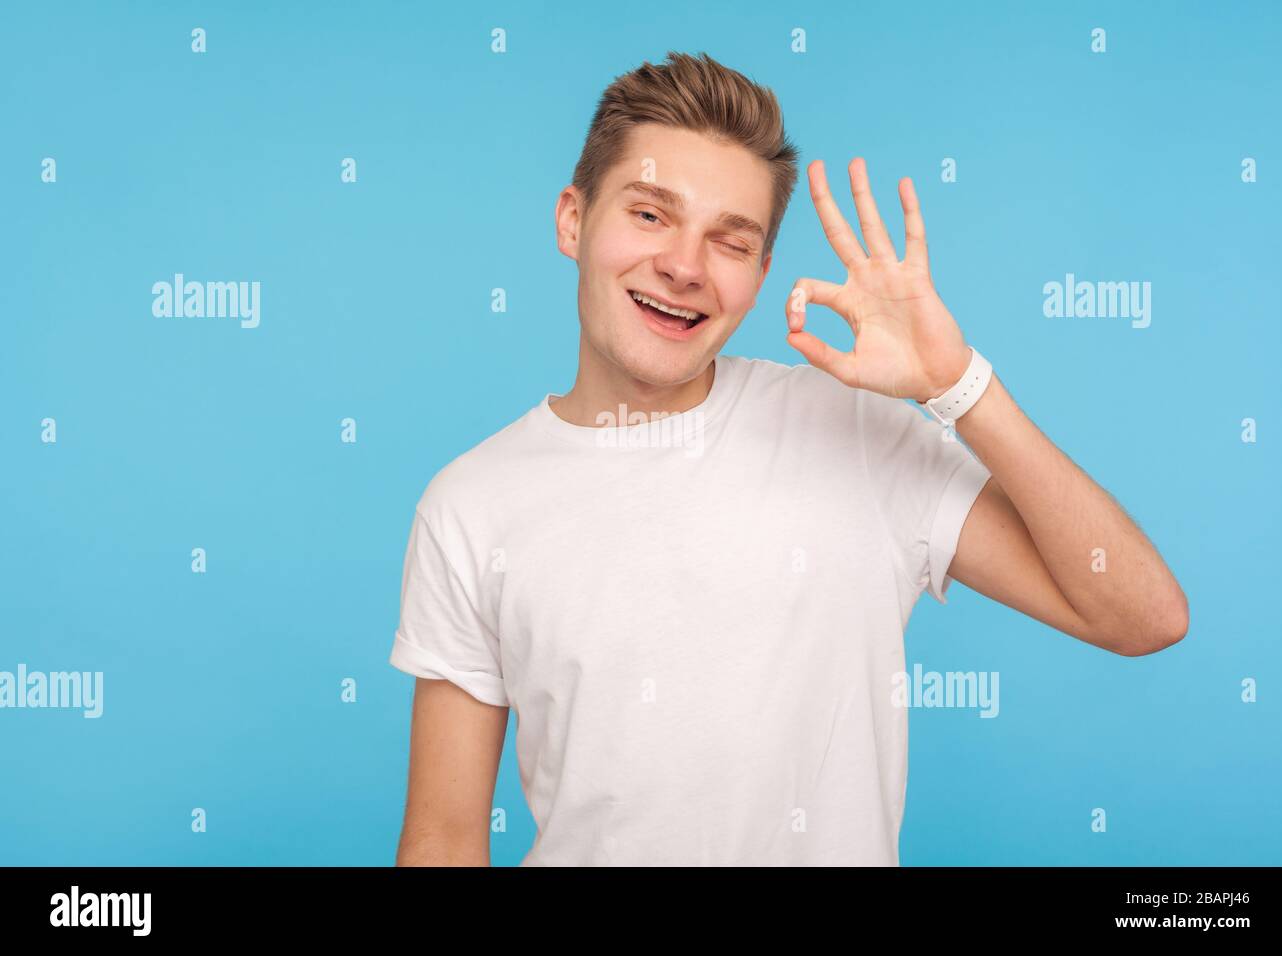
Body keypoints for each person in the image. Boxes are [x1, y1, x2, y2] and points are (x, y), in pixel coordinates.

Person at [389, 51, 1188, 866]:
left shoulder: (858, 433)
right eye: (650, 215)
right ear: (572, 220)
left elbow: (1144, 617)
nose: (684, 266)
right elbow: (445, 837)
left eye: (730, 242)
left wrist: (959, 386)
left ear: (762, 274)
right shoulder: (470, 504)